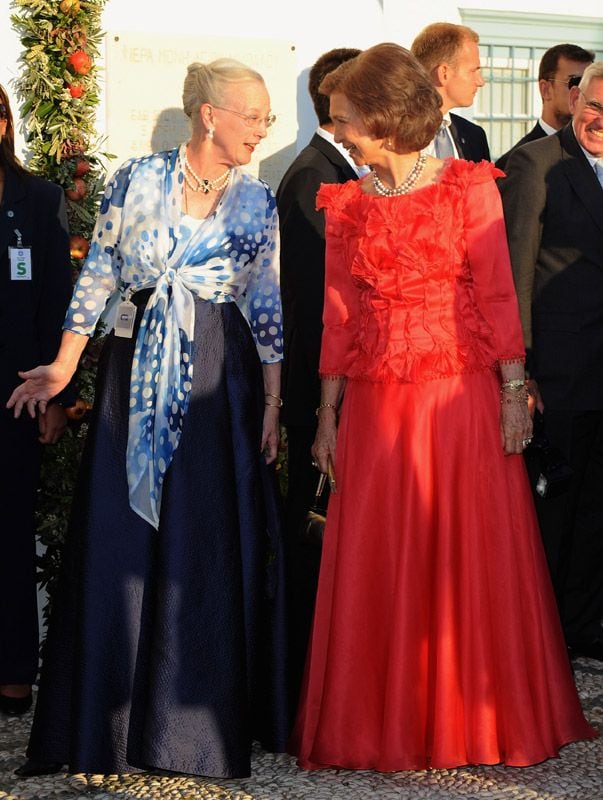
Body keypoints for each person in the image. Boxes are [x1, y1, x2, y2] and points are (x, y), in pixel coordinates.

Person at [288, 42, 596, 772]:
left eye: (347, 116)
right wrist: (326, 416)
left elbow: (496, 296)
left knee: (465, 555)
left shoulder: (467, 186)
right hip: (374, 409)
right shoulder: (347, 201)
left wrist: (514, 393)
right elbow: (339, 316)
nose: (340, 130)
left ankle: (474, 714)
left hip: (458, 398)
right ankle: (381, 719)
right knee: (379, 558)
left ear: (383, 113)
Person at [7, 58, 288, 778]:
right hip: (136, 372)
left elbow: (266, 308)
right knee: (125, 544)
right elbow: (99, 271)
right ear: (209, 115)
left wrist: (274, 406)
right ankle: (110, 722)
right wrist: (67, 366)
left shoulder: (256, 201)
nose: (263, 128)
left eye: (266, 117)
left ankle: (191, 732)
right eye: (252, 114)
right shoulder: (137, 179)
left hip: (219, 377)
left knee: (202, 545)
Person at [498, 61, 603, 662]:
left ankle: (583, 624)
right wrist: (522, 373)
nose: (599, 121)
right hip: (557, 375)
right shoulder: (537, 164)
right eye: (594, 106)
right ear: (574, 99)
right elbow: (513, 275)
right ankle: (540, 637)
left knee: (596, 510)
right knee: (553, 510)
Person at [276, 46, 361, 714]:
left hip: (342, 391)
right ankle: (305, 687)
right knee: (313, 533)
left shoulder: (346, 170)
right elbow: (316, 300)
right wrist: (324, 407)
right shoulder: (313, 178)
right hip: (316, 394)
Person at [0, 85, 72, 717]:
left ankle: (14, 673)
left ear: (3, 123)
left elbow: (59, 302)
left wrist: (56, 394)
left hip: (16, 398)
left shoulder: (41, 200)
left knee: (9, 533)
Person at [496, 43, 594, 170]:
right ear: (546, 89)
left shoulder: (595, 153)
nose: (582, 93)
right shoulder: (519, 161)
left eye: (588, 84)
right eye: (575, 82)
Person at [411, 22, 490, 162]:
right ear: (444, 73)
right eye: (473, 70)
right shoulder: (390, 136)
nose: (480, 81)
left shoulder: (474, 136)